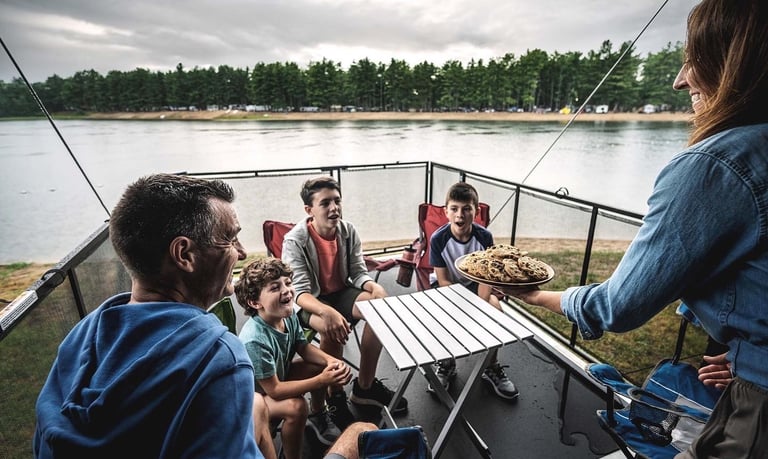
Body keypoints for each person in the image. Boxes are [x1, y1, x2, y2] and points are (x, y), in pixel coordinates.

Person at [507, 1, 768, 457]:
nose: (680, 78)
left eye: (695, 59)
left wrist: (535, 295)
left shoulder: (714, 165)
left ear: (733, 64)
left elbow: (619, 306)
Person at [33, 174, 263, 458]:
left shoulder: (82, 335)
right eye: (230, 238)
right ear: (184, 254)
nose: (241, 253)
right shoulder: (218, 360)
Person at [281, 176, 408, 422]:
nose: (334, 208)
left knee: (379, 310)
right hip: (309, 300)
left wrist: (374, 287)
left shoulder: (348, 231)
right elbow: (299, 292)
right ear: (309, 210)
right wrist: (327, 312)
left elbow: (358, 272)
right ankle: (334, 394)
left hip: (340, 293)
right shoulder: (294, 240)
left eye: (337, 201)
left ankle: (364, 387)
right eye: (325, 203)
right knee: (331, 327)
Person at [235, 257, 353, 458]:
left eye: (288, 283)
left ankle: (318, 415)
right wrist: (321, 381)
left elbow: (304, 347)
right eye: (275, 288)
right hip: (255, 398)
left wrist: (330, 361)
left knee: (319, 367)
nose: (287, 291)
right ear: (255, 302)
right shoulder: (254, 339)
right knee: (297, 407)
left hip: (277, 377)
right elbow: (276, 390)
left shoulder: (287, 316)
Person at [427, 182, 519, 400]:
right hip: (447, 287)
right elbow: (443, 280)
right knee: (443, 313)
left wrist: (480, 305)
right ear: (446, 211)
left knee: (495, 309)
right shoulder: (438, 239)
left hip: (476, 286)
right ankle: (447, 363)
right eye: (455, 209)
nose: (460, 215)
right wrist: (465, 306)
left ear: (476, 212)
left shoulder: (484, 237)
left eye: (467, 209)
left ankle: (490, 365)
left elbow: (486, 276)